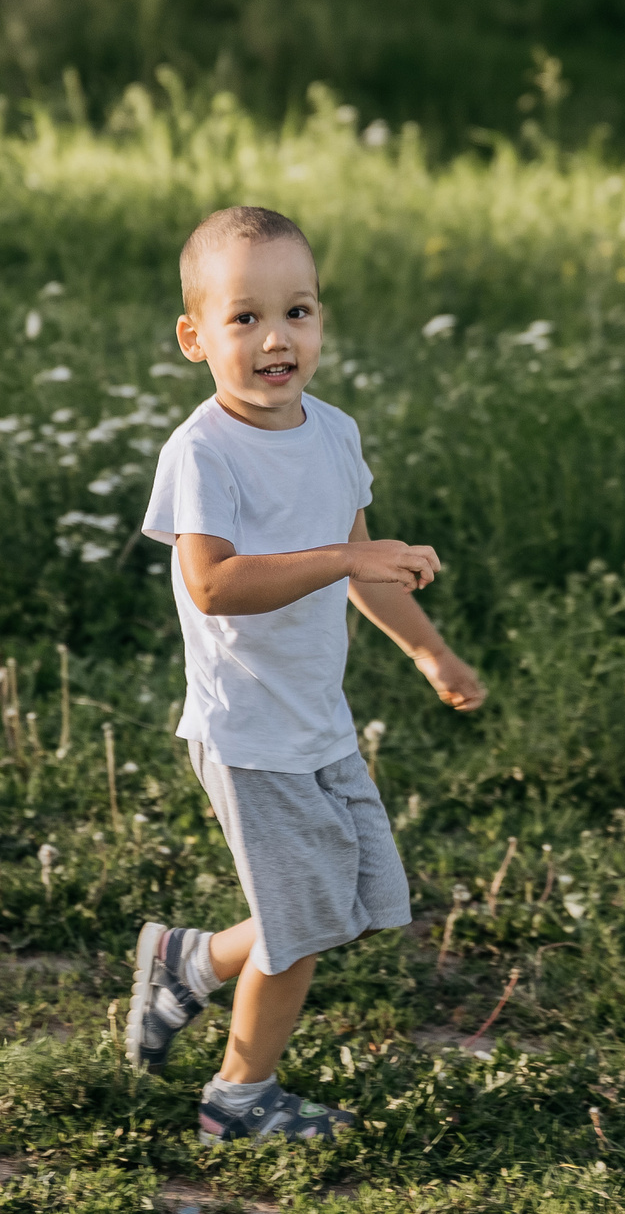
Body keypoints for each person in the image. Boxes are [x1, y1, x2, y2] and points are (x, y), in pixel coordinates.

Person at [126, 204, 486, 1144]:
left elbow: (361, 562)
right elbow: (212, 584)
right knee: (301, 926)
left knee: (355, 904)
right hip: (248, 731)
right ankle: (239, 1097)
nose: (277, 337)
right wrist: (339, 560)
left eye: (300, 311)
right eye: (245, 318)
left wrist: (425, 647)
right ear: (194, 335)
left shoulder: (333, 433)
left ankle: (191, 963)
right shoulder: (202, 451)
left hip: (317, 721)